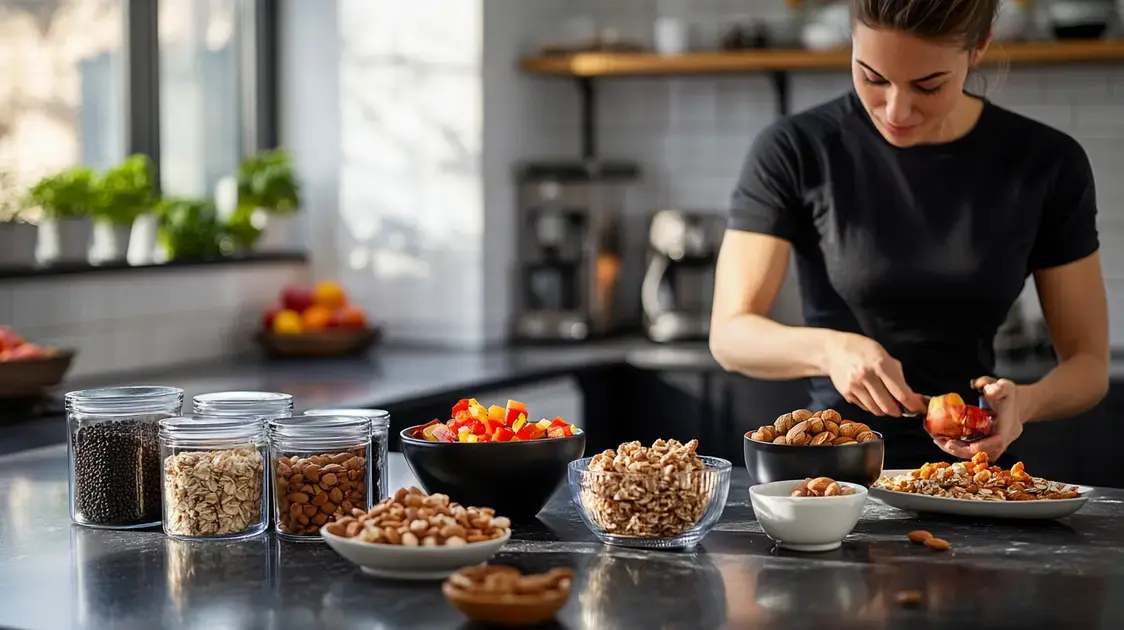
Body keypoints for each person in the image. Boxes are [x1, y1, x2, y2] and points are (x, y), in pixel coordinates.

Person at [709, 0, 1109, 469]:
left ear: (978, 48)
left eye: (928, 85)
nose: (895, 109)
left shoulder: (1046, 163)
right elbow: (731, 335)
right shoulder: (795, 150)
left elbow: (1088, 366)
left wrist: (1026, 404)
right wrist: (831, 348)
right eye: (872, 77)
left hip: (973, 479)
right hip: (832, 478)